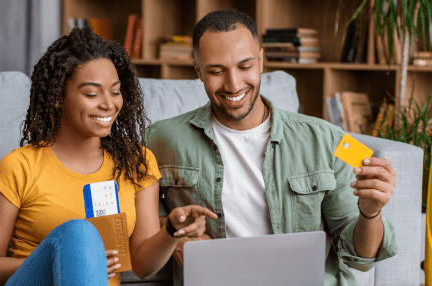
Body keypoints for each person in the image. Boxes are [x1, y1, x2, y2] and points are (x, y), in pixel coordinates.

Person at [145, 10, 398, 285]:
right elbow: (137, 218)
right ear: (197, 70)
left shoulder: (327, 140)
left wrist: (370, 212)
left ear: (261, 61)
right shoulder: (161, 138)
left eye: (245, 67)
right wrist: (175, 235)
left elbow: (360, 258)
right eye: (217, 71)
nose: (233, 85)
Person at [0, 28, 217, 286]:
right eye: (91, 93)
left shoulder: (136, 163)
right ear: (57, 98)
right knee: (80, 234)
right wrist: (66, 259)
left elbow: (143, 266)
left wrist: (171, 231)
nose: (108, 104)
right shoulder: (19, 167)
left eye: (115, 91)